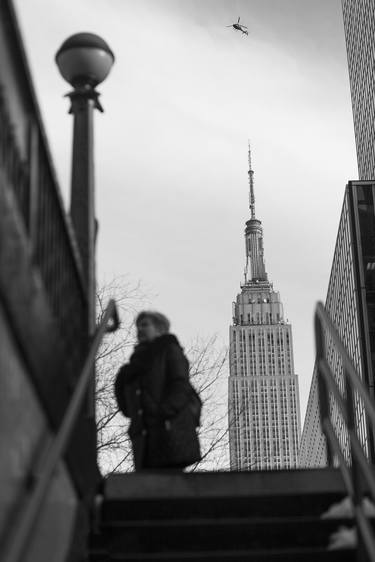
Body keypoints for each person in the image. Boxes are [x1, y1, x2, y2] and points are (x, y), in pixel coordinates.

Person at [114, 311, 201, 471]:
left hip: (168, 431)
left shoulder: (169, 350)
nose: (140, 329)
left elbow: (180, 386)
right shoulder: (134, 365)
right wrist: (122, 380)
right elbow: (127, 408)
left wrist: (162, 413)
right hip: (144, 436)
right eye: (138, 326)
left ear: (160, 329)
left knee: (170, 482)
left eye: (145, 324)